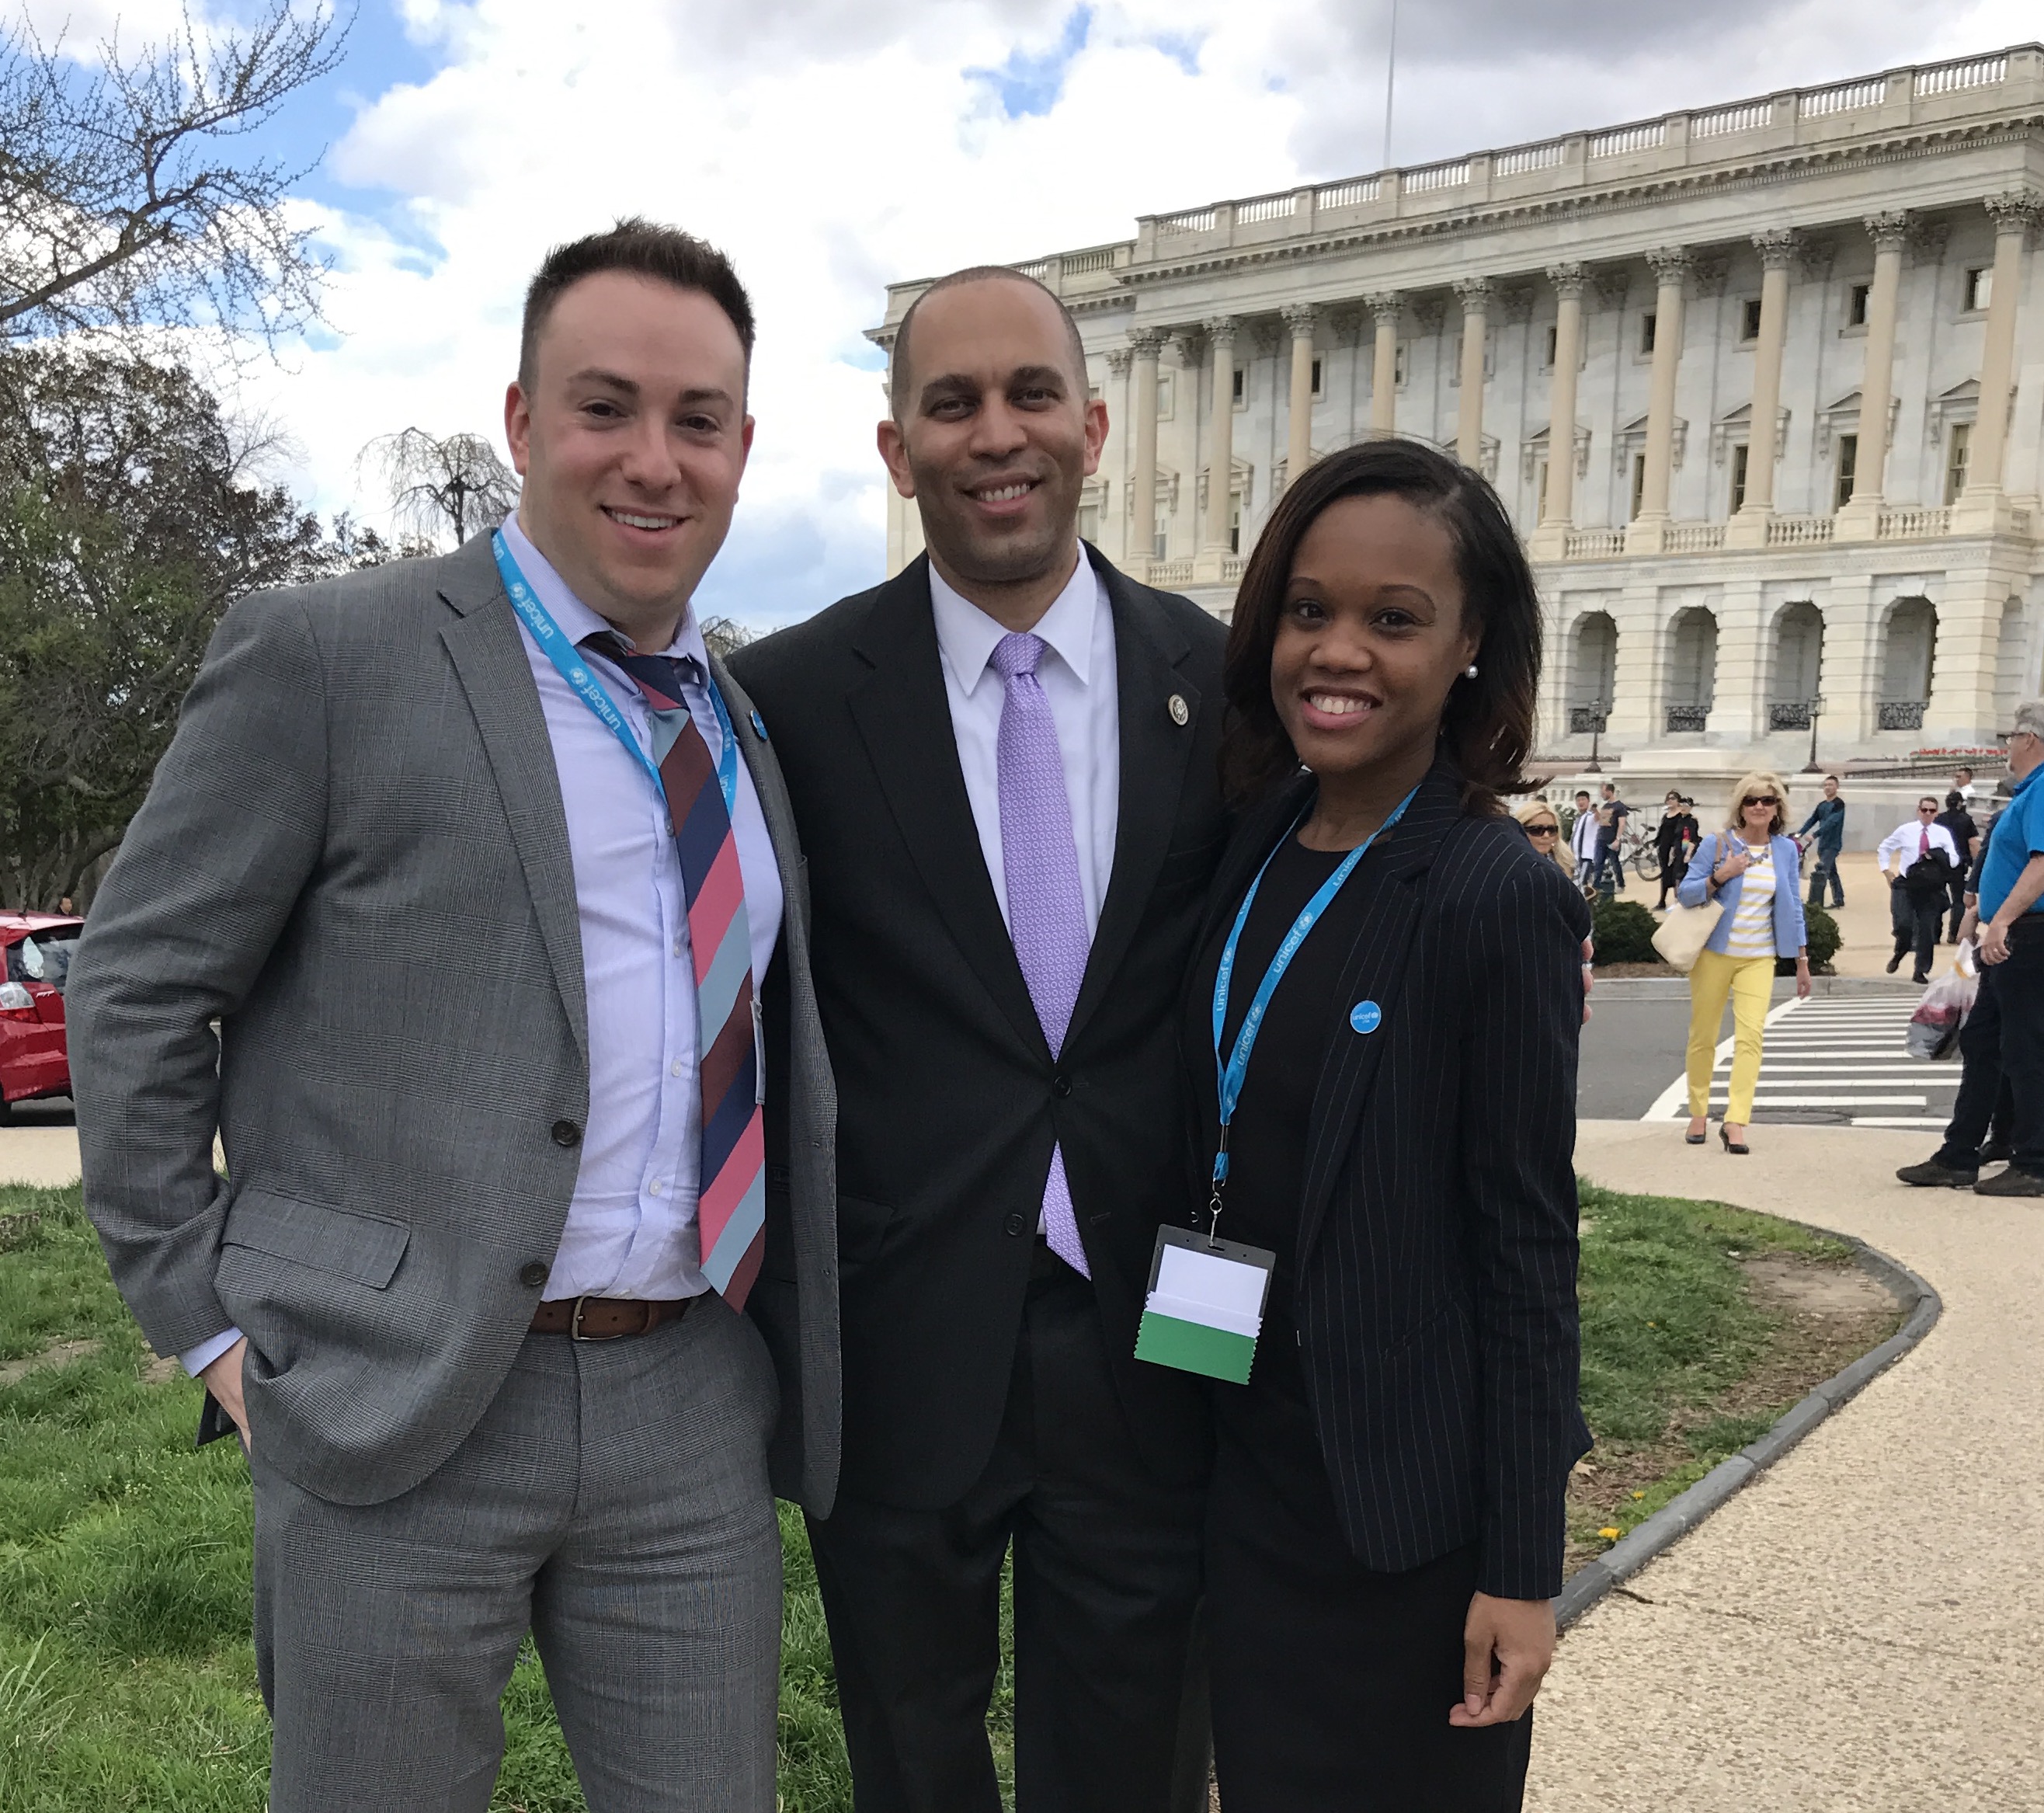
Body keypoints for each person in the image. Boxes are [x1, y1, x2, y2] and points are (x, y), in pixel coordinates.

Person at [68, 221, 840, 1813]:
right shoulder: (331, 652)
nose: (653, 458)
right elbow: (139, 982)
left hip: (686, 1393)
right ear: (520, 420)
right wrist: (204, 1323)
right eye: (604, 406)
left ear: (745, 447)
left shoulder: (739, 717)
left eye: (697, 419)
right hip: (388, 1388)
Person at [728, 266, 1221, 1813]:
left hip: (1166, 1327)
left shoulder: (1220, 682)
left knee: (1136, 1757)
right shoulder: (789, 701)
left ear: (1089, 425)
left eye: (1025, 396)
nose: (991, 433)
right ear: (896, 447)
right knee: (912, 1757)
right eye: (949, 402)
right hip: (893, 1331)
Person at [1181, 437, 1590, 1813]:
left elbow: (1528, 1248)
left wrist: (1522, 1564)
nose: (1337, 650)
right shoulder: (1252, 839)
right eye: (1309, 609)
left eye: (1392, 618)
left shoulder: (1491, 895)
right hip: (1244, 1482)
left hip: (1402, 1522)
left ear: (1470, 642)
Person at [1900, 703, 2044, 1197]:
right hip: (2011, 933)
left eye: (2010, 736)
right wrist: (1984, 917)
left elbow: (2042, 864)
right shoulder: (2029, 792)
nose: (2005, 745)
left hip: (2028, 935)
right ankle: (1959, 1154)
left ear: (2030, 739)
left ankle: (2035, 1162)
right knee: (1983, 1042)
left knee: (2026, 1050)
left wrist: (2001, 920)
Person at [1677, 772, 1812, 1154]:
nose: (1758, 806)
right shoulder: (1716, 844)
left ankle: (1736, 1120)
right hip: (1715, 954)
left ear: (1777, 809)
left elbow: (1794, 906)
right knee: (1703, 1035)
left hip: (1759, 956)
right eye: (1751, 800)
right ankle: (1699, 1111)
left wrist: (1801, 959)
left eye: (1767, 801)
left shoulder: (1786, 850)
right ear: (1740, 806)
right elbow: (1686, 893)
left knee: (1752, 1038)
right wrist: (1722, 874)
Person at [1879, 797, 1960, 983]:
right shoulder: (1906, 830)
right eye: (1925, 810)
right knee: (1903, 925)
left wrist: (1937, 855)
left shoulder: (1942, 833)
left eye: (1932, 811)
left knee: (1926, 930)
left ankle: (1920, 970)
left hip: (1930, 886)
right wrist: (1886, 871)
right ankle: (1900, 952)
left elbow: (1954, 858)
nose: (1928, 814)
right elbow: (1885, 847)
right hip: (1906, 883)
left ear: (1937, 813)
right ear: (1919, 810)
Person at [1795, 774, 1847, 909]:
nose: (1828, 788)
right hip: (1823, 844)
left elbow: (1832, 822)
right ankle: (1839, 899)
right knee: (1831, 872)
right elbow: (1812, 820)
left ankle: (1816, 903)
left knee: (1822, 870)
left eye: (1831, 785)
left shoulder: (1839, 805)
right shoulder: (1822, 805)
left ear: (1837, 787)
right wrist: (1799, 834)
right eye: (1826, 785)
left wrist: (1815, 834)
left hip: (1833, 844)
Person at [1937, 789, 1979, 943]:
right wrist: (1977, 864)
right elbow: (1973, 843)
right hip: (1960, 864)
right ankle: (1954, 934)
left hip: (1940, 864)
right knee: (1958, 901)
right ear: (1960, 803)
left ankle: (1934, 935)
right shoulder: (1966, 820)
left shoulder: (1939, 819)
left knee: (1936, 898)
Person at [1653, 788, 1697, 910]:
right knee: (1666, 874)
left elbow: (1687, 836)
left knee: (1677, 875)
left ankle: (1678, 901)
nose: (1670, 801)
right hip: (1666, 848)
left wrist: (1684, 851)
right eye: (1669, 798)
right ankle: (1663, 901)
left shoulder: (1685, 819)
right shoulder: (1669, 816)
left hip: (1677, 848)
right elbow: (1662, 831)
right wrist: (1656, 843)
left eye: (1673, 798)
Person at [1593, 781, 1630, 893]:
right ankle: (1596, 886)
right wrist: (1595, 811)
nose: (1602, 795)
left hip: (1612, 837)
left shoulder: (1619, 807)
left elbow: (1622, 823)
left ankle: (1621, 883)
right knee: (1599, 862)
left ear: (1609, 791)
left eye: (1603, 792)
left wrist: (1617, 839)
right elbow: (1598, 820)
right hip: (1601, 837)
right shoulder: (1605, 805)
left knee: (1615, 862)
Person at [1514, 799, 1568, 868]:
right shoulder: (1510, 865)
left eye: (1551, 830)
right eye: (1537, 830)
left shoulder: (1567, 864)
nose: (1546, 835)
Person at [1568, 788, 1600, 889]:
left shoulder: (1591, 816)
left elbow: (1598, 818)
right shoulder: (1578, 819)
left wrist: (1595, 809)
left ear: (1588, 801)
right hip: (1575, 858)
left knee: (1582, 884)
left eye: (1583, 799)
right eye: (1578, 800)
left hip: (1586, 857)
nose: (1581, 802)